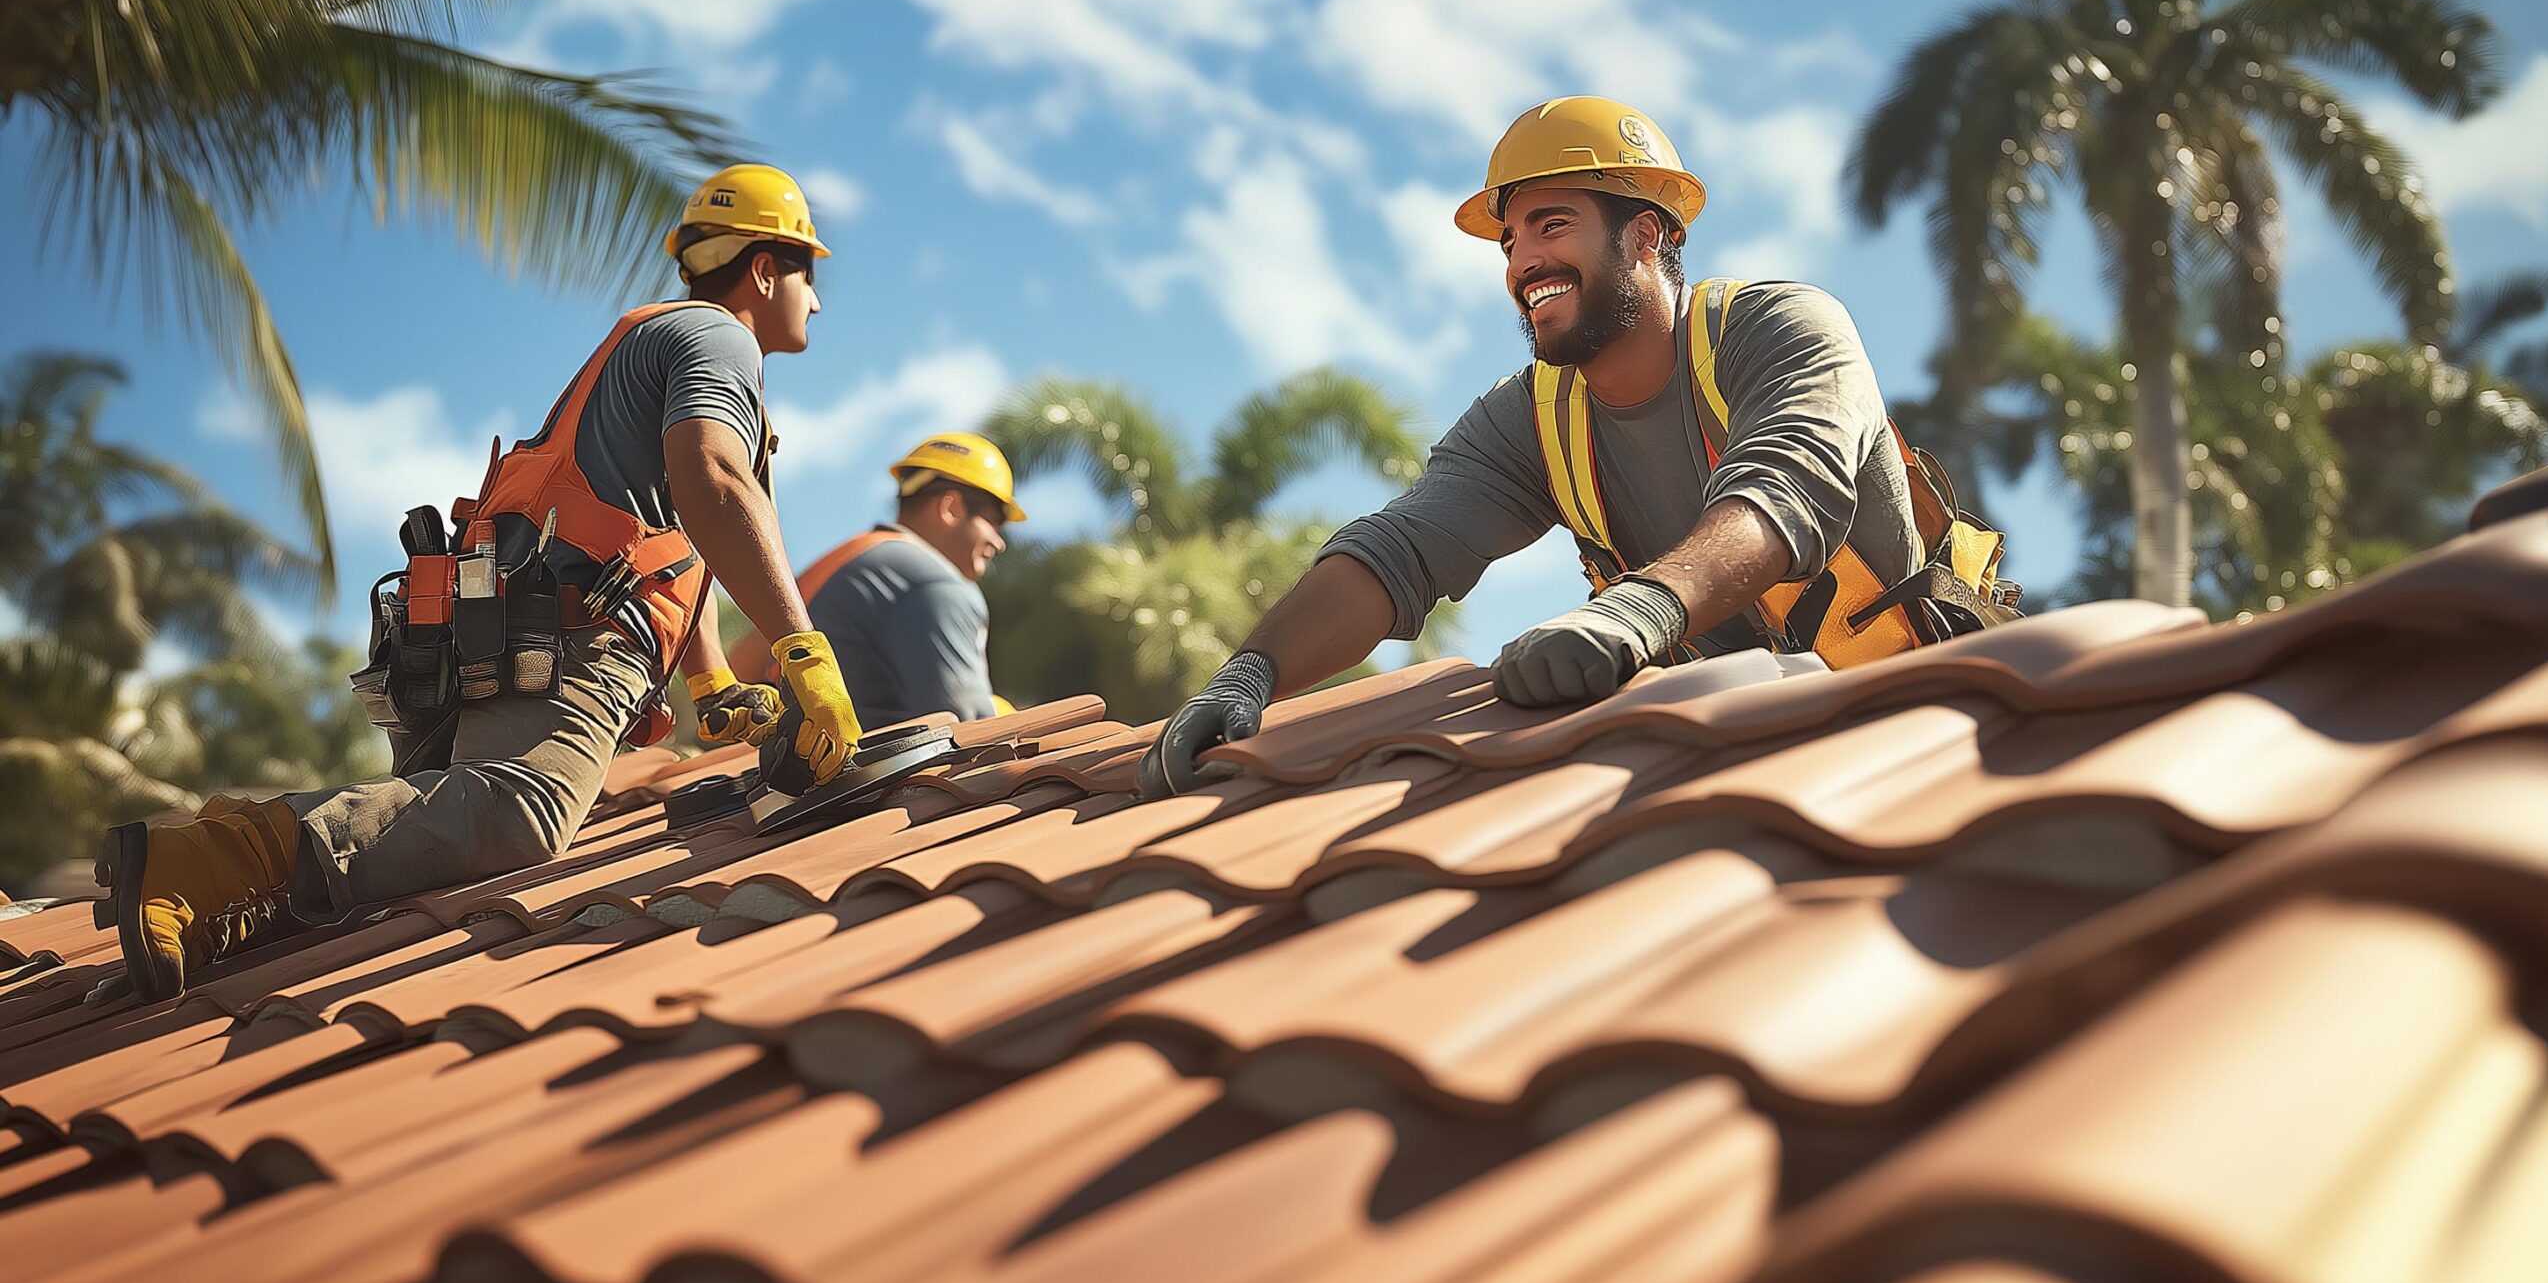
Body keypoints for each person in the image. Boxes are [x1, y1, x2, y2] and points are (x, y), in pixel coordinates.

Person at [97, 163, 870, 1000]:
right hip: (568, 635)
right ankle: (213, 859)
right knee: (518, 809)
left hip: (495, 625)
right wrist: (804, 651)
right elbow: (714, 480)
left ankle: (223, 895)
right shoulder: (721, 339)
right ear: (763, 268)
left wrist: (711, 676)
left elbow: (677, 534)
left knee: (420, 832)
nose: (817, 301)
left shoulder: (654, 340)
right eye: (807, 271)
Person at [1139, 97, 2017, 797]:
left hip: (1923, 734)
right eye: (1511, 239)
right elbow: (1401, 549)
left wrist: (1638, 611)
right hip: (1740, 755)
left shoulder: (1781, 328)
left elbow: (1785, 490)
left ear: (1647, 235)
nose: (1522, 261)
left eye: (1551, 226)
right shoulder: (1532, 417)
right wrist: (1251, 674)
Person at [724, 432, 1021, 725]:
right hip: (859, 770)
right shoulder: (934, 582)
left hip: (766, 762)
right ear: (951, 508)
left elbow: (738, 666)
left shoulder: (853, 559)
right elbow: (971, 729)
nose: (999, 542)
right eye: (993, 523)